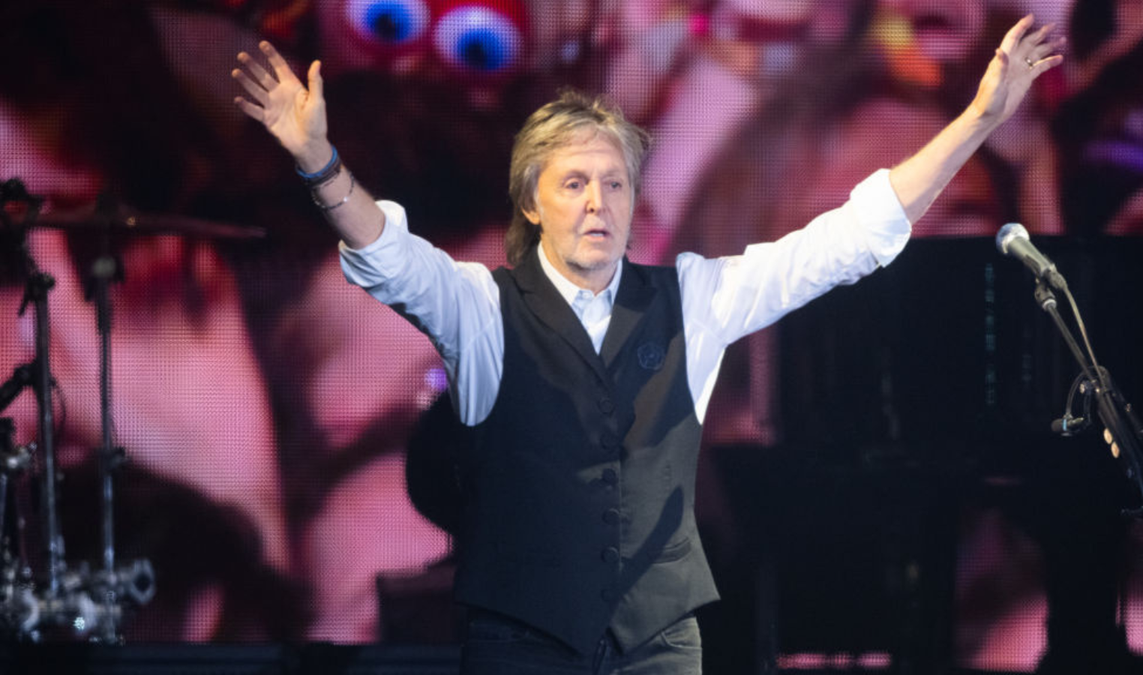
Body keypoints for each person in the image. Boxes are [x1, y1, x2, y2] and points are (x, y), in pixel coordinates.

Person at [231, 14, 1062, 673]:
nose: (597, 204)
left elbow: (851, 234)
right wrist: (318, 163)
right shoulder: (481, 308)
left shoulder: (691, 300)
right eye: (573, 185)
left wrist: (978, 121)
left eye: (615, 183)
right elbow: (385, 251)